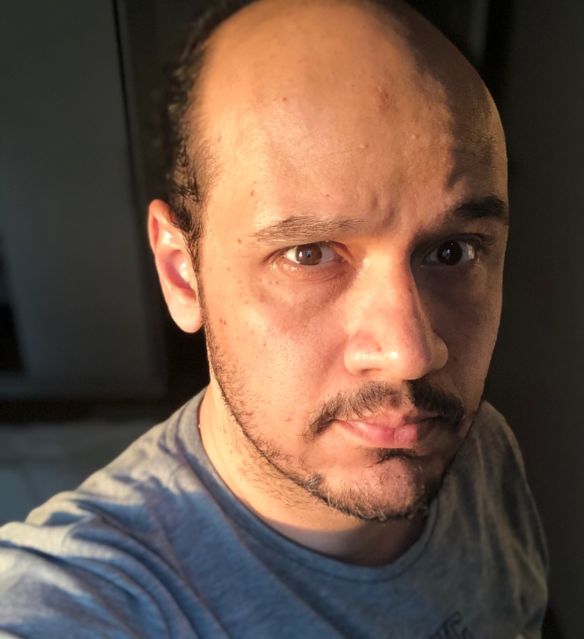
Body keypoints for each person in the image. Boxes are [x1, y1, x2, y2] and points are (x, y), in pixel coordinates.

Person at [0, 0, 548, 637]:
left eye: (453, 251)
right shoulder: (85, 600)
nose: (411, 355)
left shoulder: (482, 448)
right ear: (182, 273)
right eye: (308, 254)